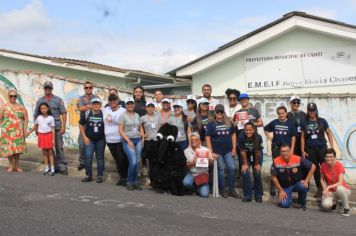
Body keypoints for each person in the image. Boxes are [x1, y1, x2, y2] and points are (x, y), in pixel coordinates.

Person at [301, 103, 334, 198]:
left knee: (326, 167)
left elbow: (329, 133)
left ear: (316, 110)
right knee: (315, 169)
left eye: (313, 110)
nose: (312, 112)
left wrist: (331, 147)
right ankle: (319, 188)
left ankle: (329, 187)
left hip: (322, 148)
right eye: (310, 110)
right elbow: (302, 137)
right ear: (308, 111)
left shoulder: (322, 121)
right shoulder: (304, 122)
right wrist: (303, 150)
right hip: (310, 149)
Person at [34, 81, 67, 174]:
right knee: (48, 148)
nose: (47, 89)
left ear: (52, 89)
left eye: (49, 88)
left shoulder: (58, 100)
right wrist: (37, 128)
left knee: (59, 147)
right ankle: (53, 166)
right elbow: (36, 114)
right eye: (46, 88)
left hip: (57, 128)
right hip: (44, 130)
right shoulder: (40, 101)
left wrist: (64, 126)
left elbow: (63, 113)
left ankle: (62, 166)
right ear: (44, 89)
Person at [205, 104, 238, 198]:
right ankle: (223, 189)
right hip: (217, 151)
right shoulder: (211, 123)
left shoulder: (228, 122)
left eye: (221, 112)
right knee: (221, 169)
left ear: (223, 112)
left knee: (231, 168)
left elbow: (233, 135)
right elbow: (207, 137)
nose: (219, 113)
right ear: (215, 112)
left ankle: (232, 189)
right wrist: (211, 151)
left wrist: (234, 148)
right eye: (217, 112)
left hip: (228, 150)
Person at [264, 105, 297, 196]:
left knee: (285, 168)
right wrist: (269, 137)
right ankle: (273, 186)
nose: (281, 115)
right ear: (277, 114)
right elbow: (265, 129)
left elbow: (294, 137)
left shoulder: (290, 123)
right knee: (275, 167)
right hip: (276, 148)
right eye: (279, 114)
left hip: (286, 150)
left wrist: (292, 150)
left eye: (283, 113)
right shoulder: (274, 122)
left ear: (286, 113)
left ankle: (283, 187)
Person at [271, 144, 315, 209]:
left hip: (296, 183)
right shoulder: (276, 161)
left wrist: (306, 181)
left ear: (290, 151)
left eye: (286, 151)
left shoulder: (297, 158)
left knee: (303, 186)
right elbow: (273, 177)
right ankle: (288, 199)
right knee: (284, 205)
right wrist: (280, 190)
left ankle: (301, 203)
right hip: (284, 186)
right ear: (280, 152)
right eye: (282, 151)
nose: (284, 153)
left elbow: (313, 167)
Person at [119, 97, 145, 191]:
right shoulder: (123, 115)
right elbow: (120, 130)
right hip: (128, 140)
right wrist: (128, 141)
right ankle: (129, 181)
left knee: (137, 161)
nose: (130, 105)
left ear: (134, 104)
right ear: (125, 105)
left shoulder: (137, 115)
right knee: (133, 161)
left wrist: (142, 139)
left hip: (137, 140)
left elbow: (140, 127)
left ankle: (135, 182)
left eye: (131, 103)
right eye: (128, 104)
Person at [103, 93, 128, 186]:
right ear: (109, 101)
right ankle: (122, 178)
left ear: (118, 100)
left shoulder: (123, 110)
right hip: (109, 140)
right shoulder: (105, 110)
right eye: (111, 100)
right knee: (117, 159)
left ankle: (126, 177)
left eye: (114, 100)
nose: (113, 101)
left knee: (122, 158)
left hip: (120, 139)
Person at [0, 88, 28, 173]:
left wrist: (25, 130)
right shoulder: (4, 107)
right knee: (9, 149)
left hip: (18, 131)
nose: (13, 97)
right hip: (7, 132)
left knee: (17, 150)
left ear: (16, 97)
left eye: (15, 96)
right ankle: (11, 166)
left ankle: (17, 166)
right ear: (8, 96)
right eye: (11, 96)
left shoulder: (21, 107)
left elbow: (26, 119)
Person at [79, 97, 106, 183]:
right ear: (91, 105)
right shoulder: (87, 113)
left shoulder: (104, 114)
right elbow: (80, 124)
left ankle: (100, 175)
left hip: (101, 140)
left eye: (97, 103)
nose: (96, 105)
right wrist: (84, 137)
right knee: (88, 157)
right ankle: (88, 175)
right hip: (89, 140)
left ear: (100, 105)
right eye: (94, 103)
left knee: (100, 158)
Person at [320, 148, 352, 216]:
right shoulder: (323, 165)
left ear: (334, 157)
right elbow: (322, 179)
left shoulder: (339, 165)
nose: (329, 159)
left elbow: (340, 182)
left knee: (339, 188)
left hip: (344, 190)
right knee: (325, 204)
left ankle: (347, 209)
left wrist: (328, 187)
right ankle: (335, 203)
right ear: (325, 157)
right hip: (332, 191)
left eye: (331, 156)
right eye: (327, 157)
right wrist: (325, 189)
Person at [27, 103, 55, 176]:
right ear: (40, 110)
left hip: (49, 136)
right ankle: (46, 168)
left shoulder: (51, 118)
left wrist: (53, 139)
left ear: (48, 109)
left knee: (50, 153)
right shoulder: (39, 117)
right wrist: (29, 132)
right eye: (41, 108)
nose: (43, 110)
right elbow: (35, 126)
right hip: (41, 136)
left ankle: (52, 169)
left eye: (45, 108)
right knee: (44, 153)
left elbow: (52, 129)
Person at [238, 122, 264, 202]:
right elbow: (242, 151)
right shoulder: (241, 137)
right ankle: (248, 195)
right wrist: (245, 164)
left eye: (250, 130)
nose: (248, 132)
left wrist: (257, 164)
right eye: (246, 130)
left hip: (257, 154)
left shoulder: (258, 137)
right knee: (245, 172)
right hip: (246, 154)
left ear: (254, 130)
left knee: (256, 172)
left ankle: (258, 194)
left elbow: (257, 151)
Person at [183, 132, 214, 198]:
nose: (193, 141)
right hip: (192, 173)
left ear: (199, 141)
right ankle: (194, 187)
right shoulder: (186, 151)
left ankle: (198, 188)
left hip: (202, 174)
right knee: (186, 183)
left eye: (195, 140)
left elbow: (211, 162)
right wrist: (194, 162)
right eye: (191, 140)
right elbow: (186, 166)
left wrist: (208, 160)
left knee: (205, 195)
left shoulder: (205, 149)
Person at [77, 81, 98, 171]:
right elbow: (80, 108)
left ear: (92, 88)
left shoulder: (96, 97)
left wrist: (87, 106)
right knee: (82, 144)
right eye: (86, 87)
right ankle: (82, 162)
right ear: (84, 88)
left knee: (95, 144)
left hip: (95, 124)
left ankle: (91, 162)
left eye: (90, 87)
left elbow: (98, 107)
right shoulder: (81, 98)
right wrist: (92, 106)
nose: (88, 89)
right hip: (84, 124)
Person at [140, 101, 160, 185]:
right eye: (149, 106)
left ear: (154, 108)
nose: (150, 108)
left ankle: (155, 179)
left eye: (152, 106)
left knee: (155, 161)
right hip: (148, 141)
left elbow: (162, 127)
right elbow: (139, 128)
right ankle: (148, 178)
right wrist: (142, 135)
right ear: (146, 108)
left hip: (157, 141)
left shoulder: (158, 116)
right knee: (146, 158)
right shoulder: (143, 118)